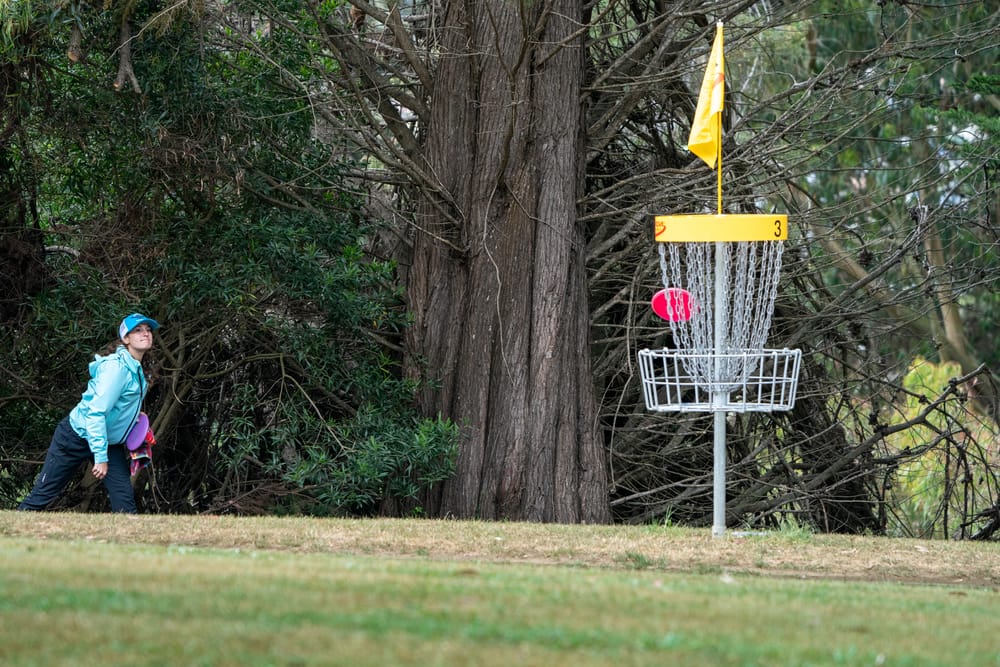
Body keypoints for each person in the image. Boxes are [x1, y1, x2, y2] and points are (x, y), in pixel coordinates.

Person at [18, 313, 160, 513]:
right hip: (76, 436)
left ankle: (131, 543)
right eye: (138, 330)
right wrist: (100, 457)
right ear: (126, 339)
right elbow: (95, 413)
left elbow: (118, 406)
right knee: (43, 495)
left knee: (125, 502)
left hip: (108, 442)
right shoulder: (116, 369)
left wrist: (136, 420)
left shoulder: (138, 368)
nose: (145, 333)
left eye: (148, 330)